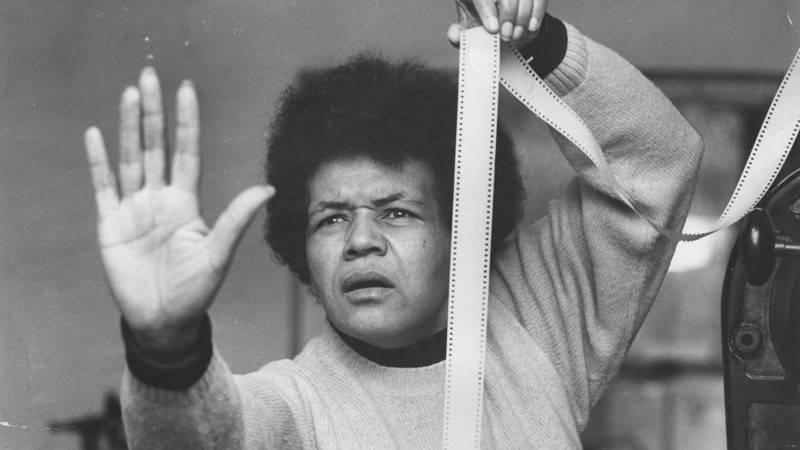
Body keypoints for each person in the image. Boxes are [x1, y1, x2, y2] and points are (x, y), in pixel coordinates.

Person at [84, 0, 703, 447]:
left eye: (396, 212)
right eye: (331, 219)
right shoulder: (296, 406)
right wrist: (166, 345)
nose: (359, 242)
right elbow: (205, 438)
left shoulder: (540, 320)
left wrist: (541, 43)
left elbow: (661, 162)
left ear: (461, 228)